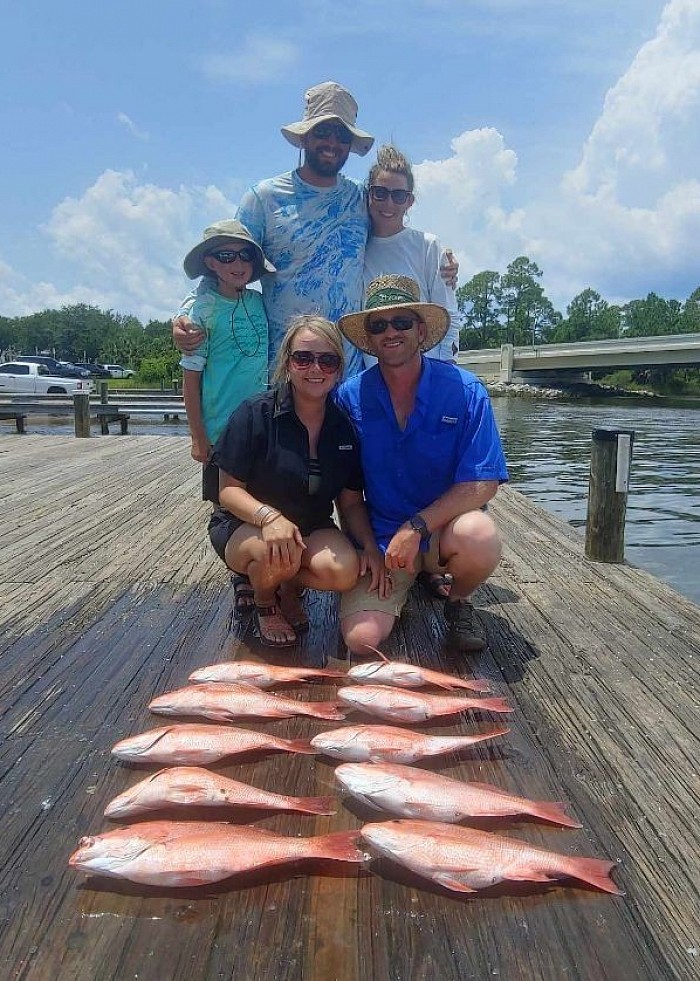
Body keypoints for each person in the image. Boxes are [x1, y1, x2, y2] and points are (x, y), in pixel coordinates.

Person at [172, 82, 458, 375]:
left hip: (349, 373)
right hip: (286, 369)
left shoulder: (360, 198)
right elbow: (225, 264)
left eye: (342, 135)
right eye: (322, 132)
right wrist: (188, 313)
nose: (332, 143)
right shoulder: (263, 199)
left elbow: (394, 229)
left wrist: (440, 260)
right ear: (304, 136)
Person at [334, 274, 509, 657]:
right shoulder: (349, 396)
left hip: (441, 533)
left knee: (479, 535)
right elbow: (346, 494)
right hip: (381, 539)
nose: (390, 332)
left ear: (420, 328)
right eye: (379, 325)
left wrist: (416, 528)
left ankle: (459, 601)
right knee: (360, 641)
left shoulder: (465, 391)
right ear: (370, 336)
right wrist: (367, 547)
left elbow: (483, 483)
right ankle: (406, 582)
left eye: (401, 322)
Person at [209, 316, 381, 648]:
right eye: (303, 358)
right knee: (273, 550)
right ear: (288, 362)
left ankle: (287, 587)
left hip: (310, 526)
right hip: (246, 525)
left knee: (344, 571)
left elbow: (350, 502)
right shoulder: (255, 413)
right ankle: (265, 600)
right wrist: (269, 518)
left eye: (327, 360)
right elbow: (227, 491)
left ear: (339, 368)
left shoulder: (343, 428)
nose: (315, 368)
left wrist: (370, 546)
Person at [363, 144, 460, 366]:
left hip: (426, 372)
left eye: (398, 196)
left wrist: (447, 371)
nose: (389, 203)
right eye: (380, 193)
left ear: (410, 201)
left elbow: (449, 317)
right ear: (369, 194)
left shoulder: (428, 246)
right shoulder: (355, 248)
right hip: (374, 379)